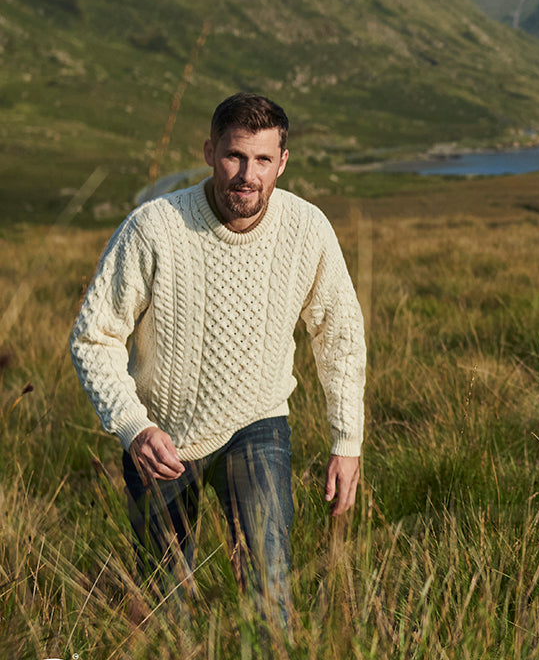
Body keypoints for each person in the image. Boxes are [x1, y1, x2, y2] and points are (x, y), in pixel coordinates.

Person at [69, 92, 366, 624]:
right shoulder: (153, 226)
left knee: (269, 592)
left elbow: (338, 334)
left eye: (261, 160)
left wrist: (347, 441)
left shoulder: (308, 228)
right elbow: (95, 337)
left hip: (258, 423)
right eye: (234, 156)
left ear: (282, 162)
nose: (246, 175)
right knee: (165, 605)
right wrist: (134, 426)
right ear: (209, 152)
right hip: (159, 437)